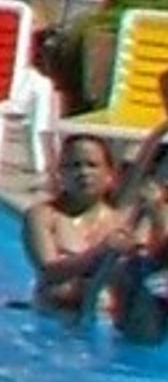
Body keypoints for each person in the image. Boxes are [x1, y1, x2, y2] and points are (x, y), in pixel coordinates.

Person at [25, 126, 168, 326]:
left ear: (110, 174)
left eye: (92, 165)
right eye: (74, 166)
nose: (83, 173)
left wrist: (157, 214)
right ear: (60, 173)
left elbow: (155, 262)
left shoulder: (120, 219)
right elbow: (50, 272)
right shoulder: (43, 216)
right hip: (54, 320)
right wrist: (100, 251)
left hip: (106, 321)